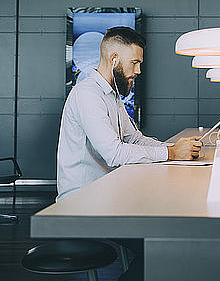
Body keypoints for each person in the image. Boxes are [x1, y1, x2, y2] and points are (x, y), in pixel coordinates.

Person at [56, 26, 201, 201]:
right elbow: (114, 154)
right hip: (82, 199)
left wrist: (175, 148)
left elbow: (134, 138)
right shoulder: (87, 94)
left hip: (107, 190)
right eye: (134, 63)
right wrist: (172, 153)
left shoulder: (113, 94)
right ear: (114, 59)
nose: (138, 71)